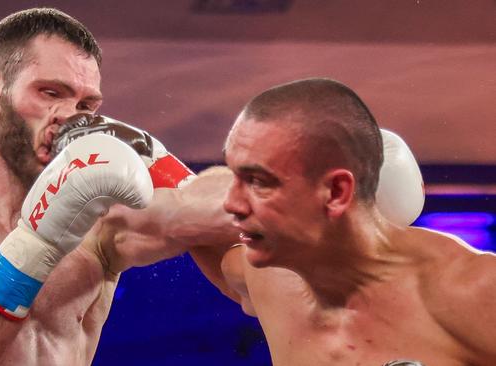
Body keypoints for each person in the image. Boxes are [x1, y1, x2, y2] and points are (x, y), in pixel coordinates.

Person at [0, 8, 238, 365]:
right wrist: (36, 247)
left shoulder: (100, 222)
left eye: (87, 104)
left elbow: (223, 210)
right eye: (50, 93)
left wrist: (158, 161)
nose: (71, 117)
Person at [192, 78, 496, 365]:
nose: (234, 202)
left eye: (260, 182)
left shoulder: (471, 290)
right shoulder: (273, 278)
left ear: (337, 193)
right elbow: (195, 231)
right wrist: (155, 163)